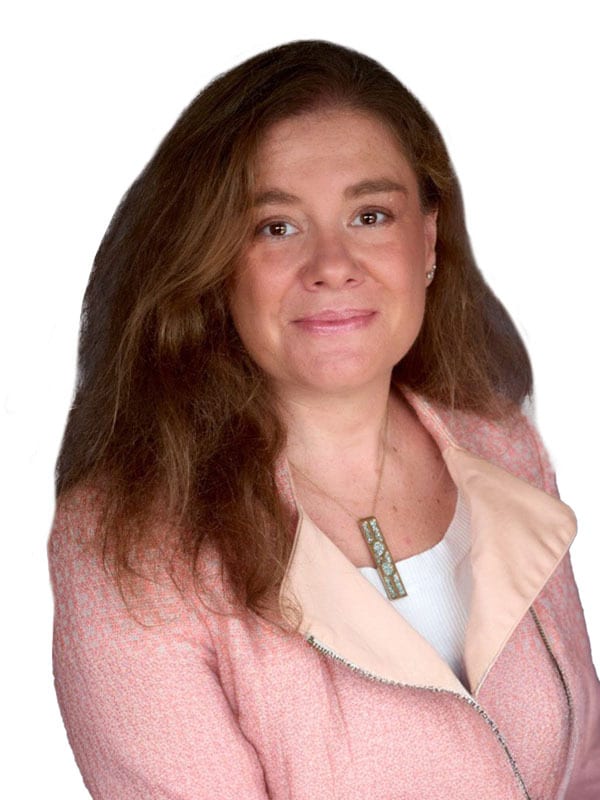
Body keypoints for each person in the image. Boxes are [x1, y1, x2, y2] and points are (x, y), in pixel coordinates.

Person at [48, 40, 599, 799]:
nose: (332, 264)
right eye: (277, 226)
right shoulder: (129, 542)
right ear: (213, 260)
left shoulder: (502, 449)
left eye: (370, 215)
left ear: (429, 241)